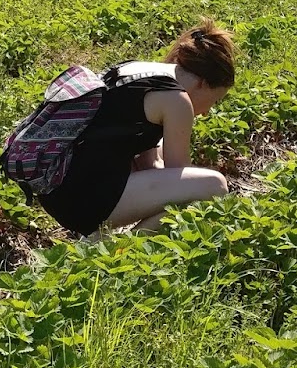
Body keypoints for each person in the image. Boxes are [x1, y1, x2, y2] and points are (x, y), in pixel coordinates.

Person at [31, 21, 236, 237]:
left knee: (160, 149)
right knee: (214, 186)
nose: (206, 112)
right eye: (214, 101)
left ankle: (100, 238)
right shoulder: (177, 100)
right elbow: (181, 179)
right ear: (203, 83)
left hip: (58, 192)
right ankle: (120, 248)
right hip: (83, 201)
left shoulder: (135, 70)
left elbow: (150, 162)